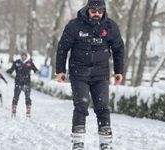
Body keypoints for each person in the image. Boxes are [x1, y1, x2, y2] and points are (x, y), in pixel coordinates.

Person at [56, 0, 124, 149]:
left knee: (102, 106)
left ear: (104, 11)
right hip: (79, 72)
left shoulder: (110, 27)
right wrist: (60, 70)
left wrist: (119, 71)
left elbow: (118, 49)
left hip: (101, 73)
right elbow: (63, 47)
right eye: (94, 11)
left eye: (100, 11)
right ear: (87, 9)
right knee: (81, 105)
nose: (97, 14)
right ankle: (78, 142)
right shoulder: (74, 25)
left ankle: (106, 144)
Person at [6, 51, 39, 118]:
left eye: (25, 56)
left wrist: (37, 71)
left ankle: (28, 111)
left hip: (27, 83)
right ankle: (14, 110)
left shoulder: (29, 63)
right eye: (22, 55)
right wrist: (9, 71)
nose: (23, 57)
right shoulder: (17, 62)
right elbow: (12, 69)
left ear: (27, 56)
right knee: (15, 97)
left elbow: (35, 69)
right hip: (18, 82)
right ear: (21, 56)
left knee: (28, 98)